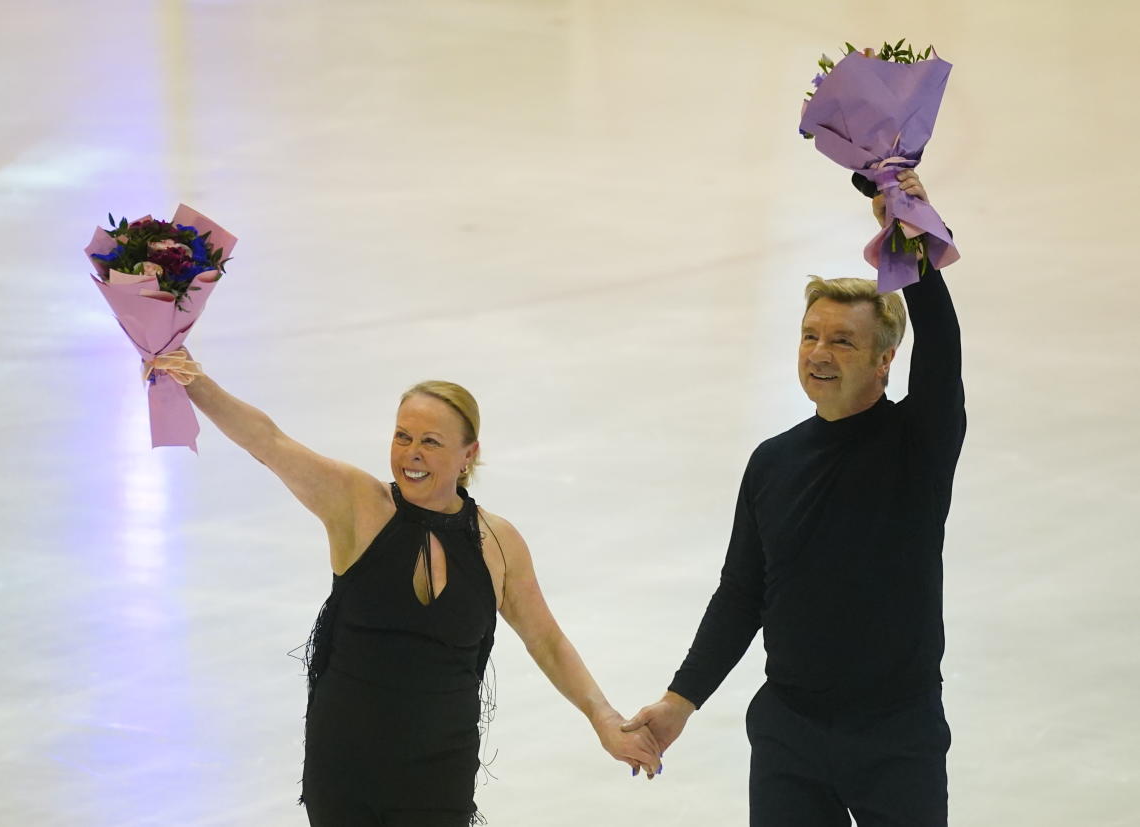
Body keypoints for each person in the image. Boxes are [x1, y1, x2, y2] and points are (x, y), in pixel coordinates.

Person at [624, 169, 964, 826]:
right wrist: (679, 700)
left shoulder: (918, 444)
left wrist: (909, 233)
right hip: (790, 732)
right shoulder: (772, 463)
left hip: (896, 735)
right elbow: (742, 595)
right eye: (811, 335)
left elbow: (943, 343)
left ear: (885, 358)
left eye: (843, 340)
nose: (820, 352)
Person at [175, 372, 661, 826]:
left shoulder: (498, 542)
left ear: (469, 453)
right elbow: (268, 441)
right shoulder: (358, 505)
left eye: (430, 442)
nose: (411, 453)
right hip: (347, 764)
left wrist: (603, 717)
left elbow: (547, 641)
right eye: (402, 436)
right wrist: (190, 377)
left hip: (440, 770)